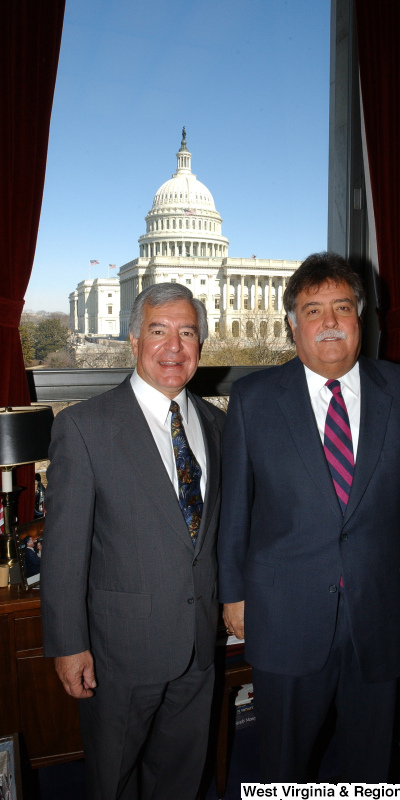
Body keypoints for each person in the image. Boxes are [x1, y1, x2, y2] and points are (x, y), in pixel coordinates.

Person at [218, 252, 400, 783]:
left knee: (370, 764)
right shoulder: (253, 400)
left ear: (361, 319)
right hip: (284, 614)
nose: (328, 322)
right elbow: (234, 508)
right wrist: (233, 596)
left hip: (384, 608)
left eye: (341, 307)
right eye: (312, 310)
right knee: (283, 763)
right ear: (291, 326)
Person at [41, 283, 226, 800]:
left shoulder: (216, 425)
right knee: (114, 781)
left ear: (201, 345)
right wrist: (68, 645)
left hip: (198, 646)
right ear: (132, 338)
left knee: (181, 779)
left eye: (187, 333)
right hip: (118, 655)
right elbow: (64, 552)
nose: (174, 347)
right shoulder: (84, 427)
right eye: (158, 330)